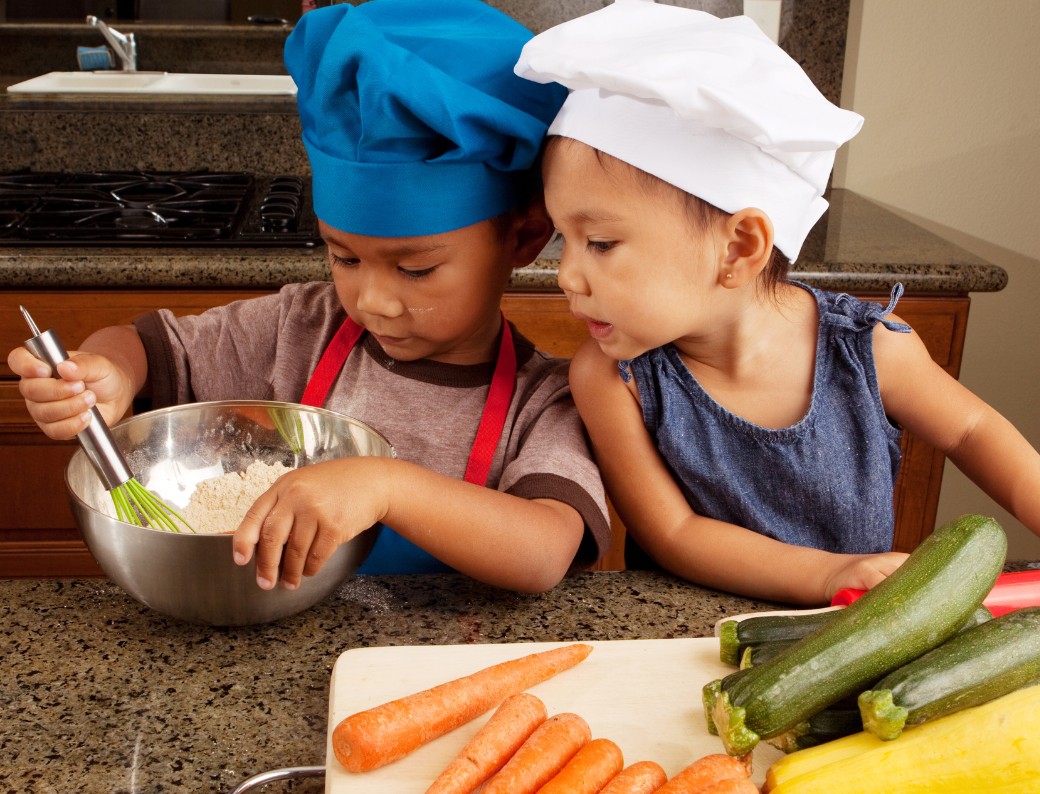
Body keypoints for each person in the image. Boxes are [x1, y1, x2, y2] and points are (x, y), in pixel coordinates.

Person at [8, 0, 610, 594]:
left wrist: (384, 487)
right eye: (344, 257)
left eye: (416, 269)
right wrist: (105, 373)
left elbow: (543, 553)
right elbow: (146, 345)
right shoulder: (297, 329)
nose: (372, 301)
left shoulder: (544, 400)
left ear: (524, 236)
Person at [515, 0, 1040, 605]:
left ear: (738, 247)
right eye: (565, 239)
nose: (566, 276)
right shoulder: (613, 378)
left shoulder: (867, 349)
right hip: (682, 640)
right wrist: (827, 576)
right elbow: (674, 533)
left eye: (600, 242)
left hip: (847, 633)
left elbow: (972, 430)